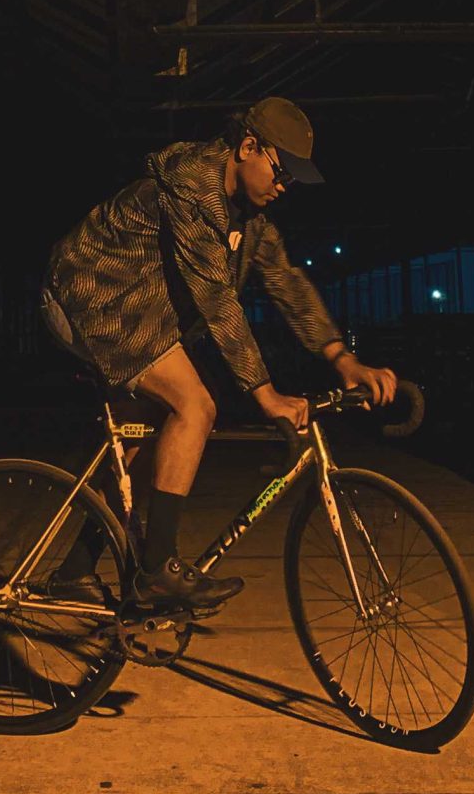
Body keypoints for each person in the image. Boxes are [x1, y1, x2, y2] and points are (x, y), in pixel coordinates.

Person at [41, 97, 399, 614]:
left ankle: (73, 574)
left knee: (141, 447)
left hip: (138, 309)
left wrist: (343, 358)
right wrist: (266, 395)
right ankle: (156, 572)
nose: (284, 186)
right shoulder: (191, 189)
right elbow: (216, 301)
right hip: (91, 294)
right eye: (281, 172)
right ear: (248, 147)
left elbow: (285, 282)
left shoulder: (249, 218)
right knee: (195, 406)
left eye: (292, 180)